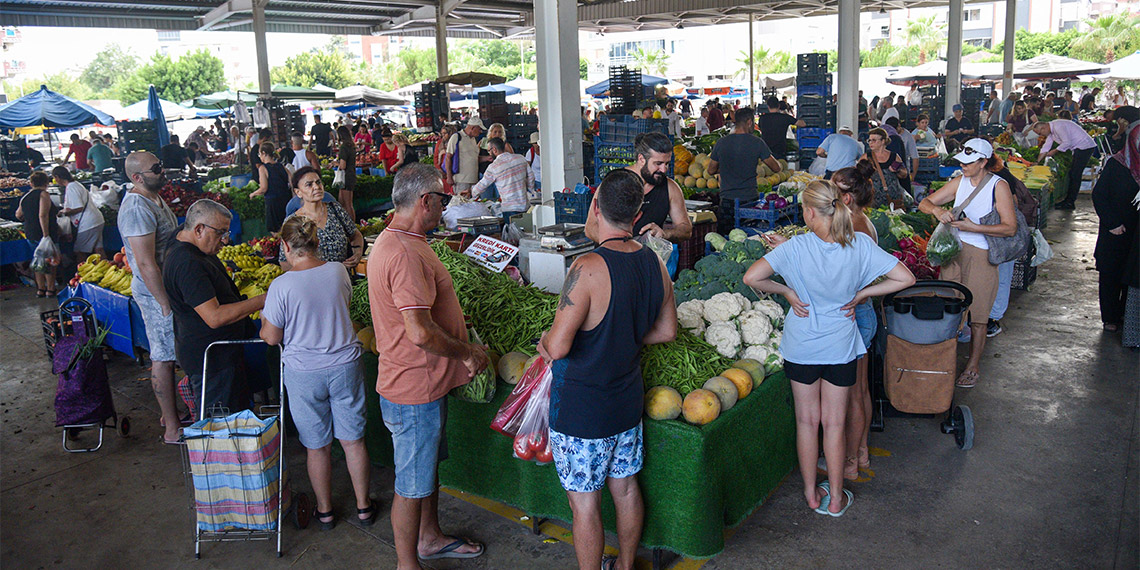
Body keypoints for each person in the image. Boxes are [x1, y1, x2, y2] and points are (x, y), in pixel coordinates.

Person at [745, 179, 914, 518]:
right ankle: (836, 498)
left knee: (807, 423)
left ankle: (810, 493)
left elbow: (752, 278)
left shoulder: (794, 248)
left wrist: (787, 292)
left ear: (808, 212)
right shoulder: (860, 246)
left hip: (802, 346)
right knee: (834, 425)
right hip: (841, 345)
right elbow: (906, 278)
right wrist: (863, 294)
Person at [538, 168, 678, 570]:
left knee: (584, 504)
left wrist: (544, 345)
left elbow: (559, 346)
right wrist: (623, 336)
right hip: (626, 401)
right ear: (636, 215)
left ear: (595, 207)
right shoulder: (654, 262)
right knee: (626, 488)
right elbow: (667, 331)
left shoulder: (587, 267)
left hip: (583, 409)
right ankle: (626, 564)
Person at [367, 163, 488, 567]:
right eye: (443, 199)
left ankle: (430, 537)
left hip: (421, 383)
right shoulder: (402, 253)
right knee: (411, 485)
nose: (445, 206)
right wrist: (466, 351)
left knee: (423, 475)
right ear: (425, 201)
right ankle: (408, 562)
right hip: (413, 387)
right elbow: (419, 332)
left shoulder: (401, 239)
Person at [260, 216, 377, 531]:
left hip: (304, 374)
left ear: (285, 246)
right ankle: (364, 507)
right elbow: (344, 304)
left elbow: (271, 337)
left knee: (317, 445)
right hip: (345, 366)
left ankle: (325, 512)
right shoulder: (338, 270)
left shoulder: (280, 286)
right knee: (353, 441)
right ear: (316, 242)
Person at [918, 139, 1019, 388]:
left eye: (968, 162)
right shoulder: (958, 182)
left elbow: (1009, 227)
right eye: (961, 161)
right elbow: (924, 203)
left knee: (979, 315)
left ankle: (972, 365)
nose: (963, 166)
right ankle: (945, 356)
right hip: (955, 251)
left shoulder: (999, 186)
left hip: (982, 254)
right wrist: (938, 212)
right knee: (950, 306)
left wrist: (975, 227)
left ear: (984, 162)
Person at [164, 200, 263, 412]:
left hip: (221, 354)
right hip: (212, 362)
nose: (225, 241)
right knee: (221, 428)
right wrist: (263, 299)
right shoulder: (187, 263)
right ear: (198, 229)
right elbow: (214, 317)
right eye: (221, 233)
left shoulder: (185, 240)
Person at [119, 152, 184, 443]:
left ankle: (170, 413)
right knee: (163, 356)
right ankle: (171, 428)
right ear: (137, 177)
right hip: (155, 292)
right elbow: (145, 263)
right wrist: (164, 303)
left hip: (168, 286)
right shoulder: (136, 207)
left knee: (171, 353)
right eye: (156, 168)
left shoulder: (154, 198)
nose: (163, 170)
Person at [591, 132, 693, 244]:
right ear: (641, 159)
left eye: (667, 163)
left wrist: (665, 234)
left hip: (646, 258)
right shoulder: (614, 182)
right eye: (658, 163)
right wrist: (622, 249)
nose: (664, 170)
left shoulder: (670, 188)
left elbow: (686, 230)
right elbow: (590, 228)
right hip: (612, 256)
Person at [1092, 106, 1140, 332]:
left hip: (1136, 234)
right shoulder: (1117, 164)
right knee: (1111, 274)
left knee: (1131, 276)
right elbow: (1099, 195)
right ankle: (1110, 317)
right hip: (1115, 231)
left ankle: (1126, 317)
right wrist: (1112, 223)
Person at [707, 107, 781, 234]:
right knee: (750, 237)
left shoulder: (721, 142)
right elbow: (776, 168)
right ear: (749, 122)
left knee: (725, 239)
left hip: (727, 201)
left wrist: (726, 166)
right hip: (750, 201)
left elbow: (710, 170)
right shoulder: (757, 143)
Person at [279, 166, 363, 272]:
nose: (316, 187)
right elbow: (284, 261)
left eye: (318, 182)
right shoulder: (293, 222)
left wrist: (357, 253)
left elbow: (355, 234)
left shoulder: (335, 209)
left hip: (341, 279)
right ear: (298, 192)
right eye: (309, 184)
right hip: (311, 283)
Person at [1033, 119, 1097, 210]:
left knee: (1075, 174)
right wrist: (1037, 161)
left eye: (1040, 133)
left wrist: (1055, 151)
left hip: (1084, 147)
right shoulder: (1051, 131)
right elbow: (1046, 147)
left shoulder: (1058, 127)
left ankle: (1070, 202)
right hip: (1078, 148)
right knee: (1073, 174)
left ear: (1043, 128)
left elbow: (1067, 142)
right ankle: (1069, 201)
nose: (1041, 135)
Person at [15, 171, 60, 297]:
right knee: (50, 261)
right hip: (44, 233)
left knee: (38, 261)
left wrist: (29, 219)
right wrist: (46, 236)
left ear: (31, 183)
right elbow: (43, 214)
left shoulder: (25, 197)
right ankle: (50, 289)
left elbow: (18, 215)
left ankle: (40, 289)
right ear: (46, 183)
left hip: (31, 233)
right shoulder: (44, 194)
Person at [471, 137, 534, 222]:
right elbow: (531, 177)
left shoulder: (494, 167)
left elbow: (482, 185)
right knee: (526, 231)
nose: (489, 153)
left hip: (510, 208)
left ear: (494, 149)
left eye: (489, 151)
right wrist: (529, 191)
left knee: (513, 234)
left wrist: (471, 192)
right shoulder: (520, 158)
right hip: (525, 205)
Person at [52, 166, 105, 259]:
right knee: (99, 249)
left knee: (79, 251)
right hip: (97, 220)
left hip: (88, 223)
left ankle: (82, 272)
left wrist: (64, 213)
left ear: (57, 177)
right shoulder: (76, 184)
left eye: (54, 178)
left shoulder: (71, 187)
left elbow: (79, 207)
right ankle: (106, 269)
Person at [249, 142, 292, 233]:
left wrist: (253, 194)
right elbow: (292, 183)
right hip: (286, 200)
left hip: (273, 203)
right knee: (285, 227)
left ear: (264, 153)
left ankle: (281, 246)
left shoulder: (263, 168)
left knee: (275, 231)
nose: (260, 156)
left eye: (259, 154)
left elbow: (264, 188)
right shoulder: (282, 167)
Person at [863, 128, 908, 209]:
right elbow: (858, 174)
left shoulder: (894, 156)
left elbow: (904, 174)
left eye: (874, 140)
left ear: (883, 141)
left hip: (893, 196)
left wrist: (897, 170)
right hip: (873, 198)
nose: (871, 143)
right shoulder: (866, 157)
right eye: (869, 140)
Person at [444, 118, 484, 197]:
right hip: (461, 181)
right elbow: (448, 157)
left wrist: (487, 158)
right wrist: (449, 176)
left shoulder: (473, 140)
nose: (480, 132)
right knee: (462, 204)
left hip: (474, 180)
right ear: (473, 128)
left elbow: (474, 158)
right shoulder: (457, 137)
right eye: (479, 129)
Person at [886, 117, 919, 185]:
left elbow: (915, 157)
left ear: (899, 126)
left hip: (902, 172)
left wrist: (913, 175)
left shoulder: (907, 136)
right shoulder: (887, 136)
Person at [336, 125, 357, 221]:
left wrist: (335, 163)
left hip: (346, 177)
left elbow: (343, 165)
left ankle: (353, 226)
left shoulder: (344, 147)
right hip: (350, 175)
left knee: (347, 204)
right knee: (343, 202)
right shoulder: (351, 145)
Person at [433, 123, 457, 194]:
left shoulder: (455, 142)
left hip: (453, 172)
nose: (443, 136)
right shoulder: (439, 143)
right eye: (442, 133)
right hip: (443, 173)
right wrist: (439, 169)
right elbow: (436, 157)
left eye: (445, 133)